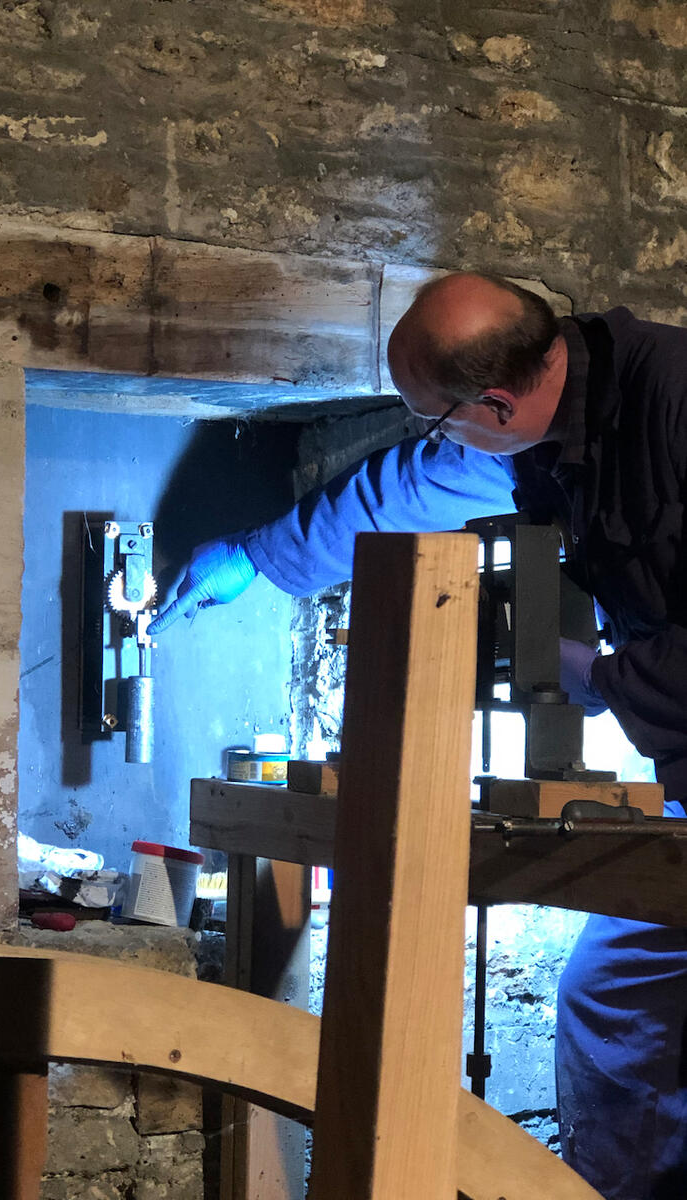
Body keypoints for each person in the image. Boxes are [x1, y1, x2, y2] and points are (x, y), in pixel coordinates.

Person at [148, 272, 687, 1200]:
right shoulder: (549, 424)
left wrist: (599, 677)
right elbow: (415, 486)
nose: (440, 438)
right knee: (613, 1002)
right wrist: (260, 559)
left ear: (498, 399)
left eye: (436, 417)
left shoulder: (672, 406)